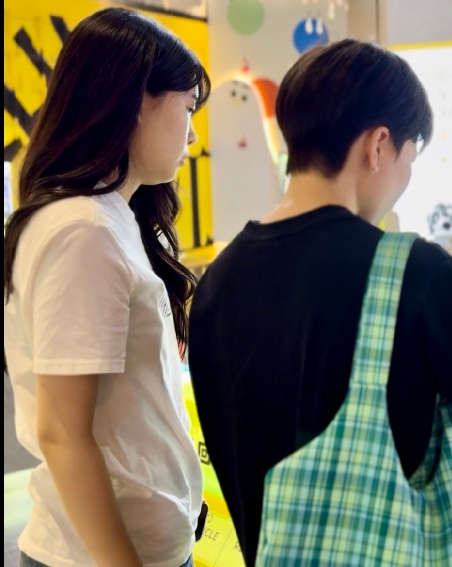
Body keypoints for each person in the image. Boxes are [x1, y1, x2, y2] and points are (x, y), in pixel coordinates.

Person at [188, 39, 452, 565]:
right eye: (410, 158)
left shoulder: (218, 279)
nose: (404, 179)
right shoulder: (414, 271)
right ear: (378, 146)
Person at [3, 8, 209, 567]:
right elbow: (62, 434)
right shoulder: (83, 229)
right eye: (188, 107)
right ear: (139, 100)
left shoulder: (110, 216)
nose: (193, 133)